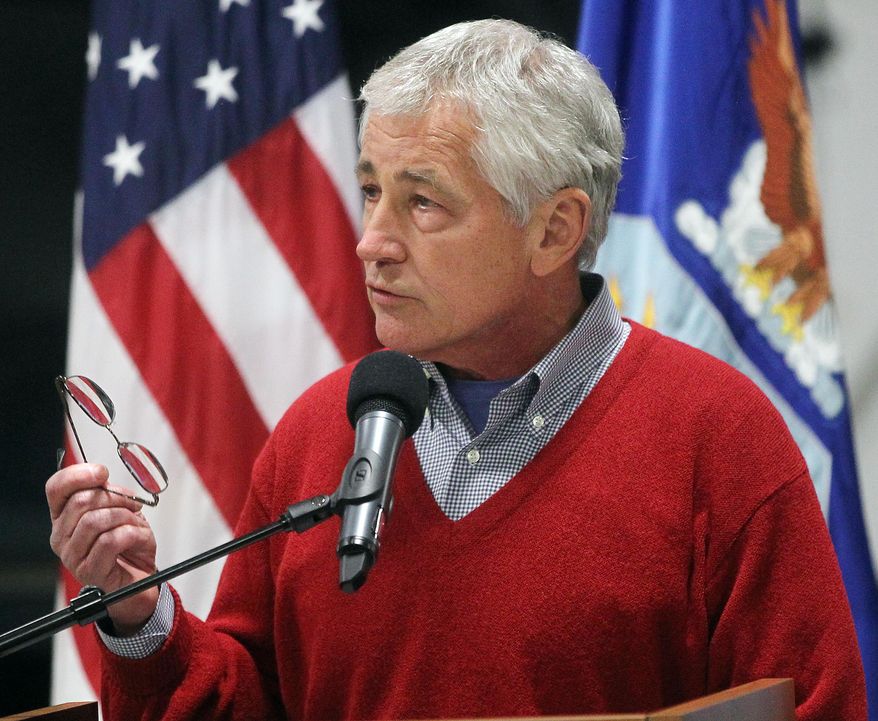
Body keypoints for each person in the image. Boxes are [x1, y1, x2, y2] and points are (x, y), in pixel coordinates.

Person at [46, 18, 867, 721]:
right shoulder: (316, 431)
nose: (372, 240)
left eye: (423, 202)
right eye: (371, 191)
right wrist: (141, 614)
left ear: (554, 229)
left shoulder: (718, 435)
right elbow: (242, 703)